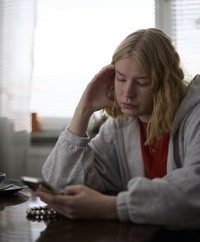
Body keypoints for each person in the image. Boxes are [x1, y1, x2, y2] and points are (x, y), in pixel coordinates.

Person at [36, 28, 200, 229]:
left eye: (142, 82)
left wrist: (111, 207)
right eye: (121, 78)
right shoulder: (120, 127)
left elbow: (194, 190)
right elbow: (59, 186)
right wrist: (83, 109)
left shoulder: (195, 118)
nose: (127, 93)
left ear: (166, 84)